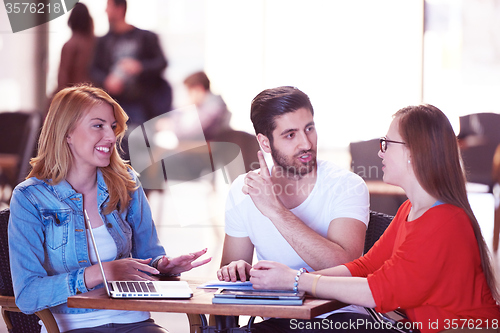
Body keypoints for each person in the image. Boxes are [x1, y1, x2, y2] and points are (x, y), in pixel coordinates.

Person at [249, 104, 500, 332]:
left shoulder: (444, 221)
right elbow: (365, 267)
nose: (380, 153)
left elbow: (377, 291)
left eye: (387, 144)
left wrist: (296, 280)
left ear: (413, 152)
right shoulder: (410, 211)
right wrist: (294, 279)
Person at [8, 85, 211, 333]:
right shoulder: (30, 198)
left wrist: (162, 265)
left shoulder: (126, 183)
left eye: (112, 126)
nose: (111, 136)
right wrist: (100, 273)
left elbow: (150, 255)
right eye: (98, 125)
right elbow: (28, 295)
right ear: (67, 133)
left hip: (135, 322)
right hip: (72, 326)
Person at [217, 86, 370, 325]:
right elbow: (229, 278)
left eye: (309, 128)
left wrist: (275, 210)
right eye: (290, 135)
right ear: (265, 143)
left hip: (341, 319)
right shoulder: (243, 190)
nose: (306, 143)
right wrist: (235, 270)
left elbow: (345, 266)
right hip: (279, 321)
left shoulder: (348, 185)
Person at [90, 0, 172, 159]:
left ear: (119, 9)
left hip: (141, 106)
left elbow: (161, 63)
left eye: (109, 6)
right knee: (115, 151)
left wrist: (139, 67)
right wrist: (107, 81)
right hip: (113, 105)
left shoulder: (146, 37)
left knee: (141, 154)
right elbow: (94, 70)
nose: (106, 11)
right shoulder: (103, 41)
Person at [57, 3, 95, 93]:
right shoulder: (95, 43)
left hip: (76, 96)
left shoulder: (70, 45)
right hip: (94, 95)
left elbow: (63, 77)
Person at [183, 71, 232, 140]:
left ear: (199, 89)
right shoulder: (207, 105)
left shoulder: (214, 107)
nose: (188, 96)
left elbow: (191, 132)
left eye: (189, 92)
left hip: (216, 147)